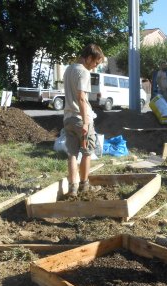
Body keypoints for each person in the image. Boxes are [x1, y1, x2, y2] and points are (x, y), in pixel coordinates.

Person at [63, 43, 104, 197]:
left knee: (72, 154)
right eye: (95, 63)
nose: (95, 67)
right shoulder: (83, 72)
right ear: (88, 58)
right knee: (87, 152)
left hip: (68, 118)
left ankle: (72, 188)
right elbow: (81, 98)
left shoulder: (69, 69)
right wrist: (86, 122)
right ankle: (84, 185)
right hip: (81, 118)